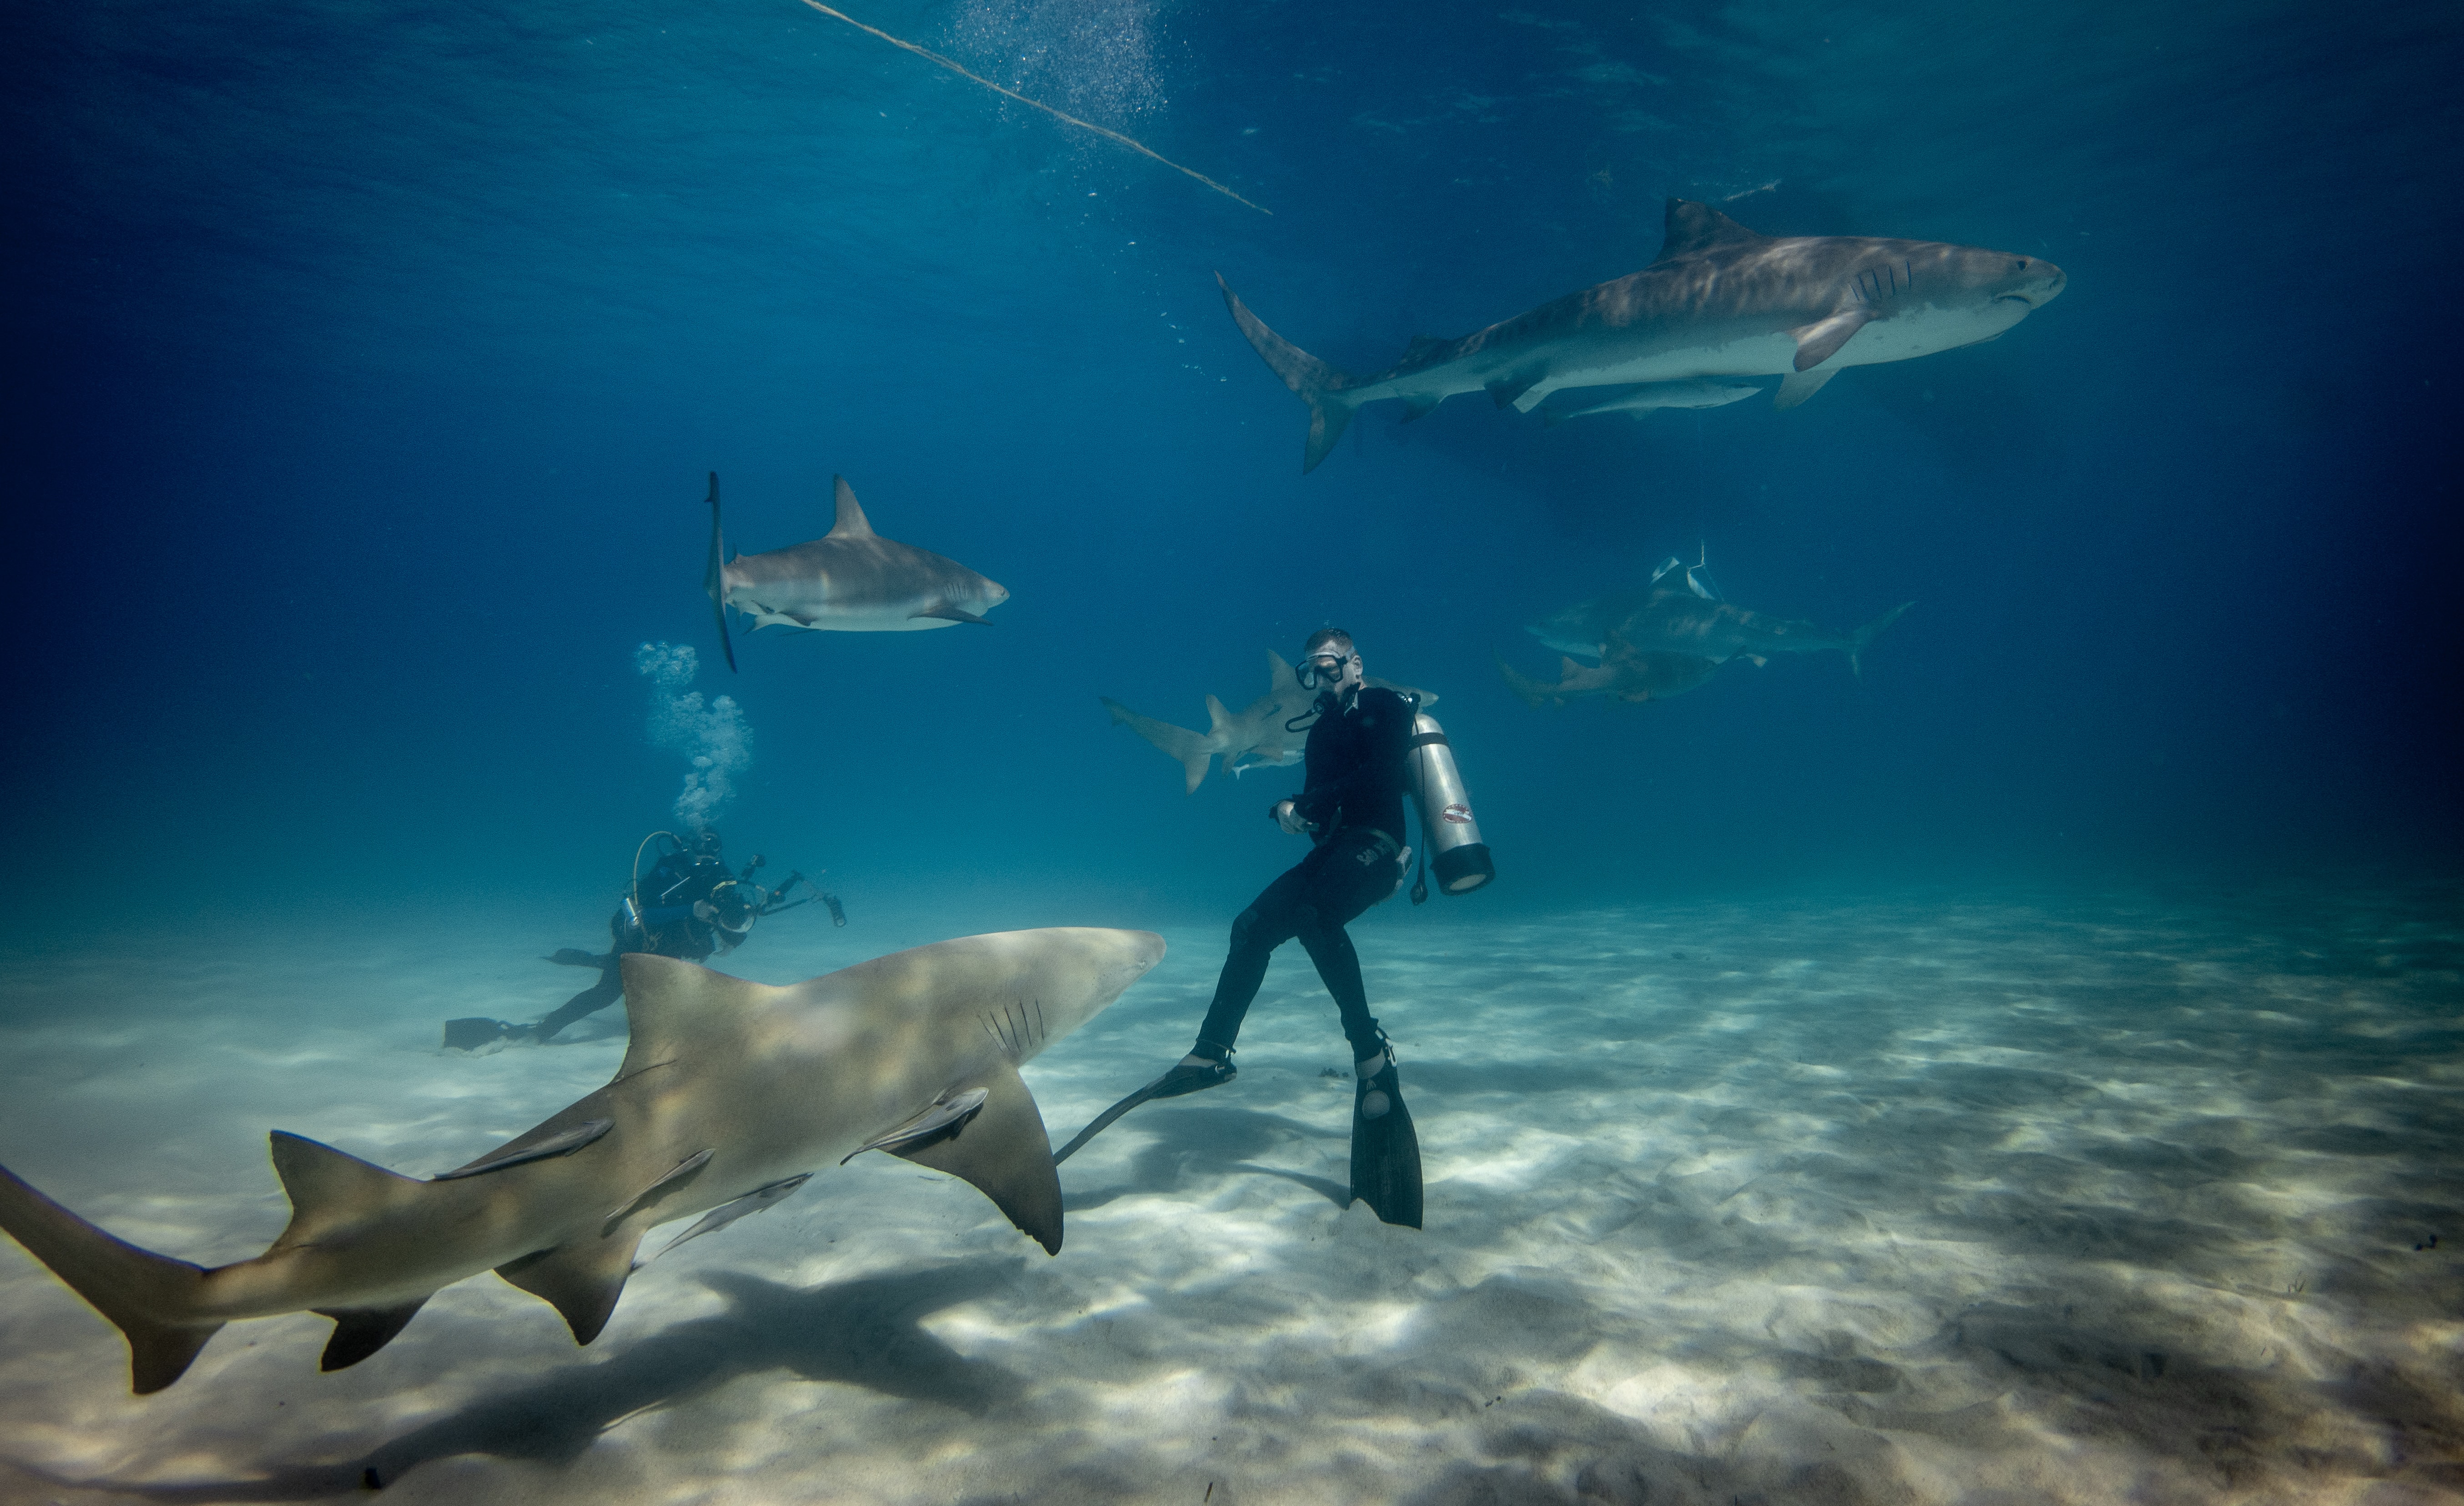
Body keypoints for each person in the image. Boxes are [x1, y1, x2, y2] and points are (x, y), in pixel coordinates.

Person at [1138, 628, 1425, 1225]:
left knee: (1313, 916)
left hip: (1379, 847)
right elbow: (1321, 797)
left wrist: (1311, 806)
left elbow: (1378, 778)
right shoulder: (1319, 730)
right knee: (1251, 926)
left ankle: (1370, 1051)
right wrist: (1289, 812)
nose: (1320, 678)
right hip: (1335, 851)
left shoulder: (1385, 705)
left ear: (1355, 662)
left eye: (1328, 666)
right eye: (1310, 671)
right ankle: (1212, 1051)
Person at [442, 828, 835, 1049]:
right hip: (641, 943)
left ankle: (589, 959)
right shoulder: (670, 871)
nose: (708, 855)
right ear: (689, 846)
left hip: (675, 952)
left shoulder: (722, 874)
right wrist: (690, 911)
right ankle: (528, 1033)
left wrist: (736, 936)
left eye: (714, 848)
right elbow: (642, 913)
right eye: (702, 847)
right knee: (607, 994)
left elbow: (740, 916)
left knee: (675, 995)